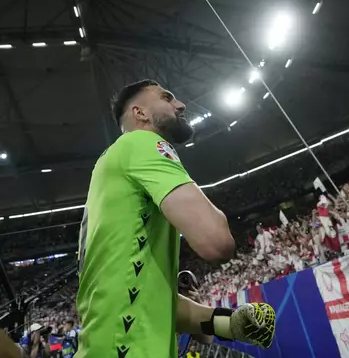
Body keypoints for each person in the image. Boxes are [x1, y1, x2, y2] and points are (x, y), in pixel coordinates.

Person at [75, 80, 275, 358]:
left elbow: (149, 303)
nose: (180, 105)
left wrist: (231, 324)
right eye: (166, 98)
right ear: (140, 113)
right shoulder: (141, 142)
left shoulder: (107, 177)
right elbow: (216, 242)